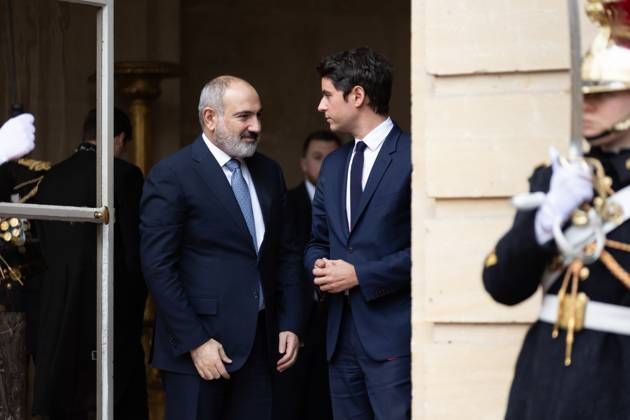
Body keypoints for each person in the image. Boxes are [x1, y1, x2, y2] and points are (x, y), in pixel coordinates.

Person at [483, 2, 630, 418]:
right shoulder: (554, 178)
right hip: (544, 381)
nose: (587, 104)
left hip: (617, 379)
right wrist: (545, 222)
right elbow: (501, 284)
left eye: (604, 93)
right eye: (585, 92)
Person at [139, 75, 304, 420]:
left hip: (261, 348)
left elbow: (286, 253)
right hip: (199, 351)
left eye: (258, 115)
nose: (256, 126)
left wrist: (290, 322)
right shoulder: (173, 174)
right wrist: (196, 342)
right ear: (210, 118)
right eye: (244, 116)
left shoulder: (269, 172)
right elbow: (158, 266)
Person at [304, 47, 412, 420]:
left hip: (393, 340)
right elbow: (317, 240)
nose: (321, 105)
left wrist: (359, 275)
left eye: (327, 95)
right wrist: (319, 267)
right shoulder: (333, 165)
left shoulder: (414, 156)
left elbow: (428, 252)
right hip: (339, 340)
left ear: (358, 96)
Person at [31, 108, 148, 420]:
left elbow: (43, 247)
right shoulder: (124, 175)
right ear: (119, 139)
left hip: (58, 313)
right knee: (113, 403)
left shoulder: (51, 178)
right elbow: (134, 255)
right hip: (107, 312)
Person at [273, 130, 340, 420]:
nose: (325, 165)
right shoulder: (284, 202)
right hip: (293, 325)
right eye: (317, 157)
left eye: (332, 158)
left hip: (338, 323)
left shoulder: (351, 204)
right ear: (303, 163)